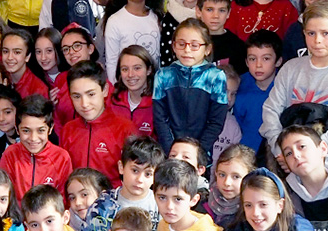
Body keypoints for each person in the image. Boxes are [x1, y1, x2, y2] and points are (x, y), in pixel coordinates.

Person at [261, 0, 328, 163]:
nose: (317, 40)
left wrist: (304, 158)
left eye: (325, 33)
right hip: (283, 157)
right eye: (311, 33)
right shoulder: (290, 69)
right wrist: (283, 150)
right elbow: (271, 110)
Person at [153, 18, 229, 160]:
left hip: (201, 153)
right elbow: (160, 119)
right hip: (169, 153)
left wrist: (197, 153)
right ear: (174, 46)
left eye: (194, 45)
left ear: (207, 49)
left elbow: (216, 121)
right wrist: (173, 152)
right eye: (181, 44)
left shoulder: (215, 76)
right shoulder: (163, 76)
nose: (187, 50)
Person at [79, 135, 163, 231]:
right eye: (135, 170)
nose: (140, 179)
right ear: (121, 167)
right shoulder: (103, 205)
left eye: (148, 174)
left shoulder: (161, 205)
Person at [62, 61, 139, 182]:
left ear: (105, 90)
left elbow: (135, 176)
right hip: (77, 199)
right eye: (77, 96)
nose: (84, 104)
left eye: (91, 94)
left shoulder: (125, 129)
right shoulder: (68, 129)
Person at [0, 95, 71, 200]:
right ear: (17, 129)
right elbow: (4, 193)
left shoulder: (62, 157)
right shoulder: (10, 154)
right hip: (16, 216)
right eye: (26, 131)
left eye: (41, 130)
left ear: (50, 129)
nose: (33, 138)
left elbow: (64, 199)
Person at [102, 0, 165, 83]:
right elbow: (112, 61)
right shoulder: (115, 21)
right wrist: (118, 91)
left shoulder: (158, 17)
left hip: (155, 86)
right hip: (127, 86)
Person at [234, 30, 282, 151]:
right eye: (252, 59)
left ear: (278, 61)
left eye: (266, 58)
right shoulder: (238, 85)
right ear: (246, 62)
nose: (258, 65)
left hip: (275, 154)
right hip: (244, 155)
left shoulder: (284, 86)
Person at [108, 46, 156, 137]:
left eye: (137, 68)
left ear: (149, 70)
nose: (130, 75)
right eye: (125, 69)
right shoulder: (112, 101)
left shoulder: (157, 103)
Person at [206, 144, 255, 230]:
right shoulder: (202, 204)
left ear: (249, 177)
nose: (227, 183)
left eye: (236, 177)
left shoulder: (251, 215)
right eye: (222, 175)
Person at [66, 167, 112, 231]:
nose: (77, 202)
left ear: (103, 195)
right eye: (72, 198)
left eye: (84, 195)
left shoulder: (118, 224)